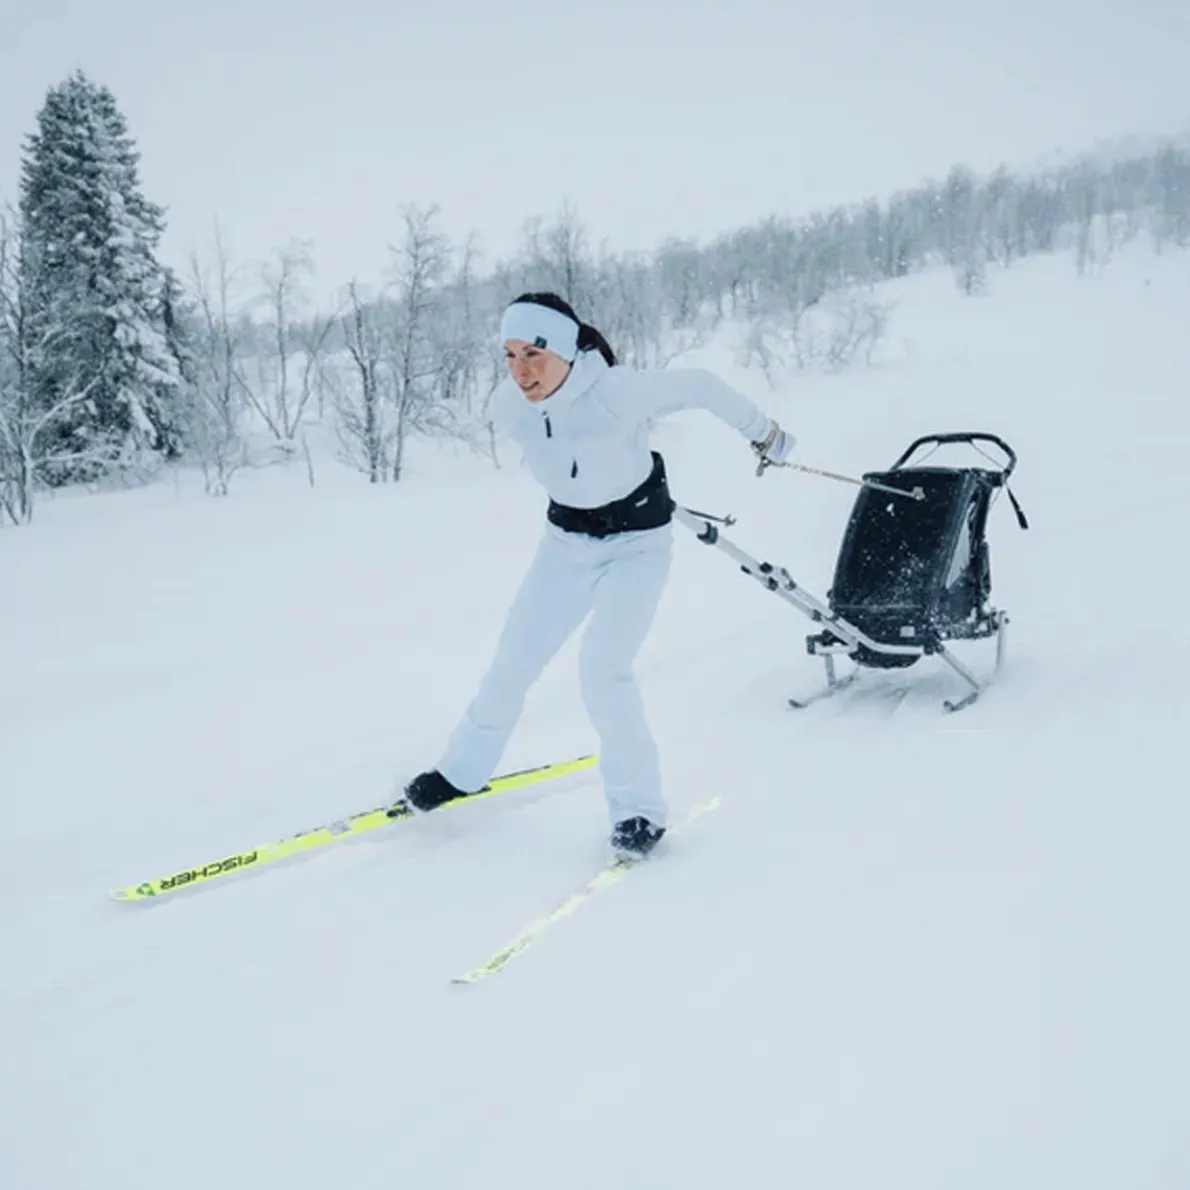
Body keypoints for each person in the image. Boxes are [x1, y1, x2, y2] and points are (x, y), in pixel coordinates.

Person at [392, 292, 794, 856]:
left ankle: (637, 811)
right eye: (509, 355)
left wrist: (766, 434)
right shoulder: (508, 406)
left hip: (636, 547)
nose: (521, 370)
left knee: (603, 671)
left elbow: (701, 385)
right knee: (512, 662)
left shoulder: (617, 392)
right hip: (564, 546)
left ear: (566, 349)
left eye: (534, 352)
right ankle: (462, 772)